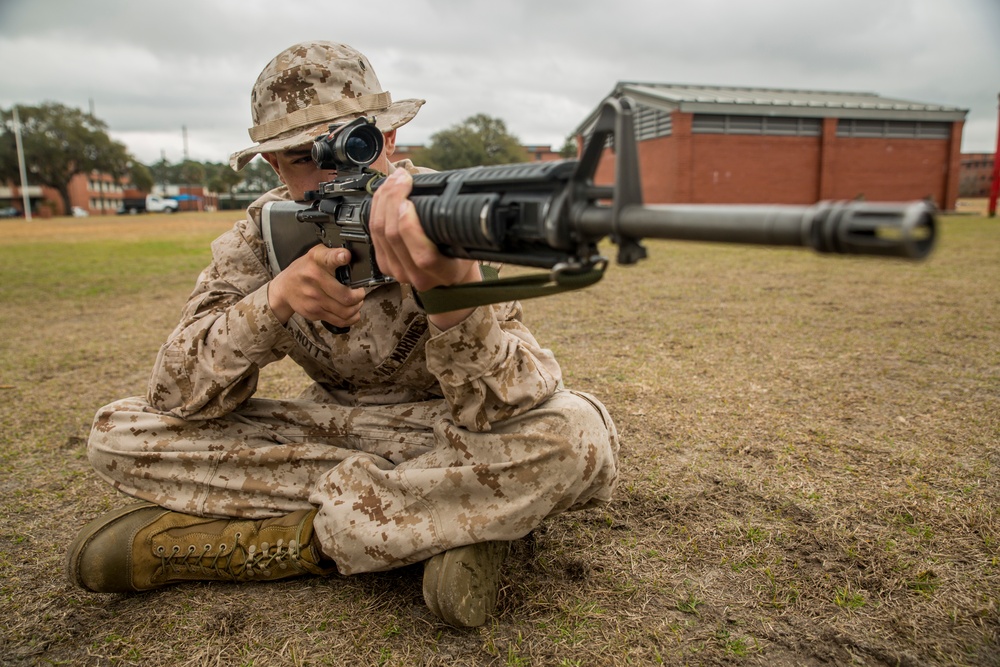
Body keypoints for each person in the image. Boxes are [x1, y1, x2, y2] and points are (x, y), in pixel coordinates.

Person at [65, 41, 619, 628]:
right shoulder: (261, 239)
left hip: (441, 431)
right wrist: (273, 303)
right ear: (274, 167)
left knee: (574, 435)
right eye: (306, 157)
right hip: (336, 430)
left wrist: (453, 298)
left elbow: (503, 406)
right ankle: (444, 518)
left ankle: (296, 541)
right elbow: (176, 396)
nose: (337, 172)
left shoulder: (447, 209)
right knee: (116, 433)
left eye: (356, 144)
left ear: (389, 140)